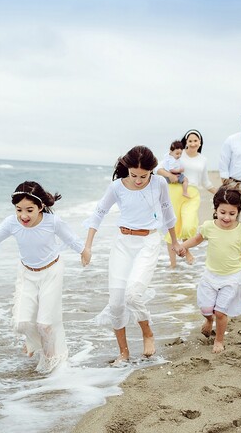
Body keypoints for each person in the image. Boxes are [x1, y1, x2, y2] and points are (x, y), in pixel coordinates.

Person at [0, 181, 88, 374]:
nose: (23, 216)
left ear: (41, 206)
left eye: (29, 210)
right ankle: (36, 345)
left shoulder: (52, 222)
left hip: (52, 271)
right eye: (19, 210)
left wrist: (84, 251)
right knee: (21, 324)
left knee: (45, 324)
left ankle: (51, 360)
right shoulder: (12, 223)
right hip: (27, 273)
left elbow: (71, 238)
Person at [83, 146, 182, 364]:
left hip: (148, 242)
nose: (138, 180)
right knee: (117, 302)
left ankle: (147, 332)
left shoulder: (159, 183)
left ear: (151, 171)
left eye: (143, 176)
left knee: (132, 294)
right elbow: (98, 213)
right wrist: (88, 245)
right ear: (127, 169)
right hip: (122, 243)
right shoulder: (117, 187)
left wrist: (174, 241)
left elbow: (167, 212)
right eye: (133, 175)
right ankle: (123, 352)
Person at [181, 182, 241, 354]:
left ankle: (219, 340)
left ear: (238, 213)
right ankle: (208, 321)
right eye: (222, 212)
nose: (226, 217)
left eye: (232, 213)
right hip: (210, 275)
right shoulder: (208, 227)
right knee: (206, 309)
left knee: (220, 312)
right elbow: (197, 240)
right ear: (215, 210)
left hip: (231, 278)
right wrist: (183, 246)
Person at [156, 129, 217, 267]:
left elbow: (205, 182)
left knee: (188, 224)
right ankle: (173, 265)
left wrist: (218, 192)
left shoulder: (203, 160)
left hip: (192, 194)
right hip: (174, 192)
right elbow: (158, 169)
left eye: (196, 140)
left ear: (200, 142)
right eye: (190, 140)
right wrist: (170, 176)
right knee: (172, 227)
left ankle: (185, 249)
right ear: (186, 142)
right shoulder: (178, 153)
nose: (193, 143)